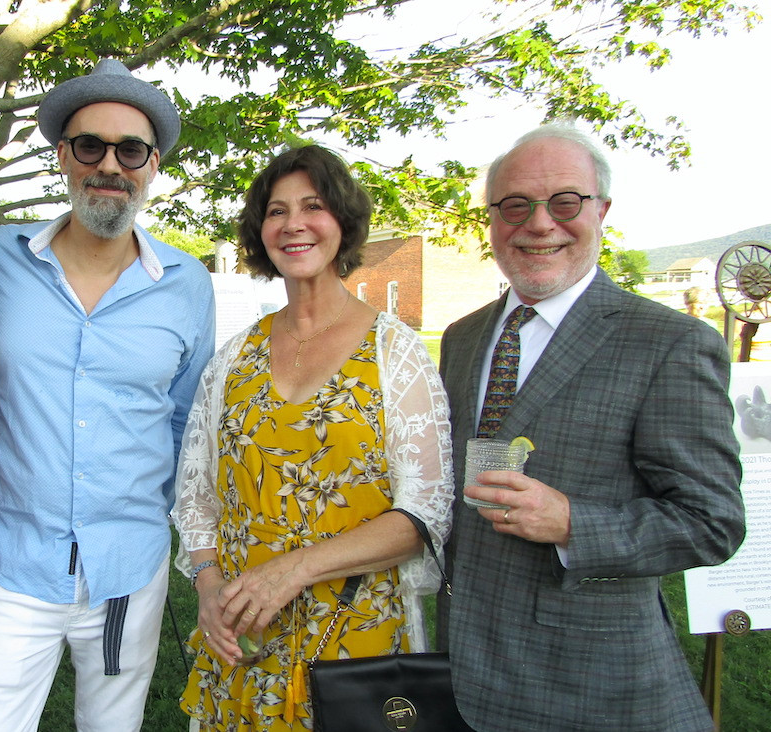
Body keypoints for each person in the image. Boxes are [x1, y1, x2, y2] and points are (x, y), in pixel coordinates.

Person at [438, 124, 745, 731]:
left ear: (601, 210)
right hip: (462, 670)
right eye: (515, 205)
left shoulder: (670, 343)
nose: (539, 223)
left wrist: (573, 524)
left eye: (564, 202)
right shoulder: (463, 338)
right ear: (492, 219)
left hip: (591, 684)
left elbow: (712, 524)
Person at [0, 59, 215, 732]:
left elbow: (187, 419)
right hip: (16, 562)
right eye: (90, 146)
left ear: (152, 165)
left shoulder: (186, 283)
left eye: (130, 151)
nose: (109, 165)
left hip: (127, 568)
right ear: (63, 157)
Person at [172, 145, 455, 730]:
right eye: (276, 211)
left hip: (354, 640)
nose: (293, 224)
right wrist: (207, 587)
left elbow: (424, 514)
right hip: (245, 644)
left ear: (343, 222)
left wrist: (295, 569)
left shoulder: (394, 352)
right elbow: (196, 495)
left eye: (313, 206)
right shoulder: (235, 357)